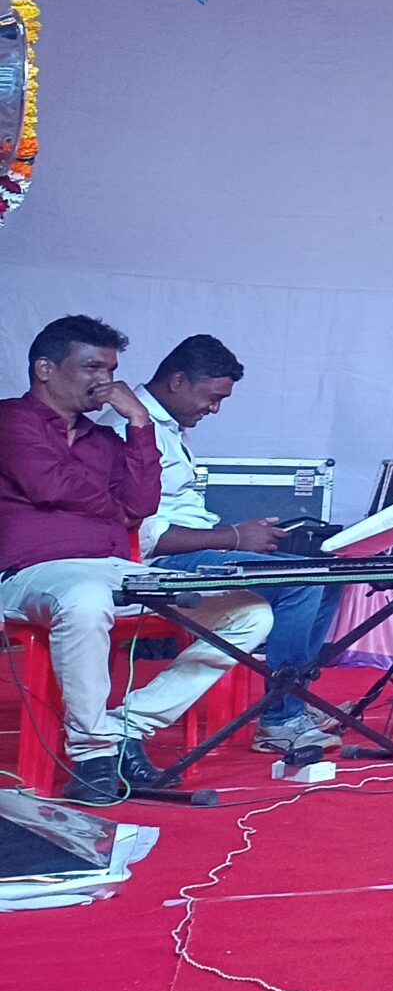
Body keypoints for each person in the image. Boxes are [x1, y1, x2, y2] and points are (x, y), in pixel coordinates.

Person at [0, 316, 273, 803]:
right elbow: (48, 485)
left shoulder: (106, 439)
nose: (104, 380)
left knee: (247, 612)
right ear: (45, 368)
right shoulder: (9, 419)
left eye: (111, 368)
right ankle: (92, 757)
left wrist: (140, 423)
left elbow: (142, 505)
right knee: (83, 598)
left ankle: (124, 727)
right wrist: (111, 506)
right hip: (31, 574)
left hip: (115, 571)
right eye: (91, 367)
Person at [133, 335, 343, 753]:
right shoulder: (131, 428)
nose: (214, 409)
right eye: (212, 398)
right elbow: (146, 537)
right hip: (154, 566)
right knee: (302, 581)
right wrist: (233, 537)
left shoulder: (167, 428)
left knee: (329, 573)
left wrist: (240, 538)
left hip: (199, 549)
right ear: (177, 381)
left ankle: (292, 697)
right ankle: (281, 720)